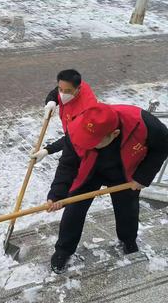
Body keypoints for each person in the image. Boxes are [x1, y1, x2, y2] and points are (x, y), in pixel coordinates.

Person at [46, 103, 168, 274]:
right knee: (74, 208)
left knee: (127, 209)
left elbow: (162, 146)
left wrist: (143, 177)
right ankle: (63, 249)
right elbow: (67, 165)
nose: (85, 144)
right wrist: (57, 194)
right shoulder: (79, 127)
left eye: (92, 142)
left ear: (114, 134)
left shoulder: (143, 123)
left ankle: (128, 240)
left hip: (125, 172)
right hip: (90, 171)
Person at [31, 69, 97, 163]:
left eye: (67, 91)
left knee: (70, 167)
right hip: (71, 130)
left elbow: (72, 138)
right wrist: (51, 101)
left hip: (84, 146)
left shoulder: (87, 111)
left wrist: (47, 150)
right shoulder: (70, 85)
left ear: (78, 88)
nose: (62, 94)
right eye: (61, 89)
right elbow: (56, 91)